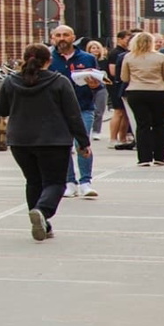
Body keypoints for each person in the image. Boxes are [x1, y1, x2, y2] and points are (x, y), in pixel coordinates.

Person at [0, 43, 92, 242]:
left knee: (33, 181)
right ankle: (42, 211)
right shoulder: (60, 82)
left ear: (24, 59)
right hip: (53, 140)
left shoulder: (10, 81)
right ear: (49, 60)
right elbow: (73, 115)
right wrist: (83, 142)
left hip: (20, 141)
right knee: (55, 182)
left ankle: (43, 225)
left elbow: (2, 109)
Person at [47, 26, 100, 199]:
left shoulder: (88, 58)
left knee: (82, 143)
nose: (62, 38)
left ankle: (86, 182)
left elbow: (100, 83)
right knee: (63, 146)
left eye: (65, 35)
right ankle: (70, 182)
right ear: (52, 37)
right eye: (58, 35)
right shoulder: (48, 59)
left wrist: (95, 85)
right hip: (57, 109)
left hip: (82, 107)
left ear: (73, 37)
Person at [120, 31, 164, 166]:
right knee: (159, 124)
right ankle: (160, 157)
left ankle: (144, 158)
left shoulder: (129, 57)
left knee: (142, 124)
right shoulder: (160, 57)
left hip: (136, 92)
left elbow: (124, 78)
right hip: (158, 92)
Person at [106, 31, 134, 144]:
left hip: (123, 85)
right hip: (116, 85)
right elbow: (112, 72)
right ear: (119, 39)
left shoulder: (125, 52)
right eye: (126, 39)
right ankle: (113, 138)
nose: (128, 42)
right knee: (118, 112)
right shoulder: (115, 53)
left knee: (125, 113)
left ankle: (122, 138)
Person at [85, 40, 109, 138]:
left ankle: (96, 131)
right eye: (93, 48)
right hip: (88, 86)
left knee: (99, 110)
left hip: (101, 87)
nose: (95, 50)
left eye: (97, 48)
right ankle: (88, 129)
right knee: (88, 109)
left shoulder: (104, 61)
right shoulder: (86, 60)